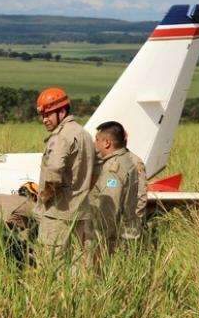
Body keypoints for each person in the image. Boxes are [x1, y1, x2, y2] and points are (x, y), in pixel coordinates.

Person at [35, 87, 96, 264]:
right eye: (42, 115)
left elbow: (54, 174)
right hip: (82, 213)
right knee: (79, 268)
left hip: (58, 215)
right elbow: (94, 174)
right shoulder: (85, 134)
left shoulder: (61, 137)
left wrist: (44, 200)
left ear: (62, 112)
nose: (44, 120)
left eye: (48, 115)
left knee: (50, 267)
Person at [90, 121, 140, 259]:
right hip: (128, 233)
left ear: (107, 143)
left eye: (97, 140)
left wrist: (101, 241)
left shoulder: (112, 169)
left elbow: (108, 211)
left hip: (114, 240)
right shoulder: (127, 160)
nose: (95, 144)